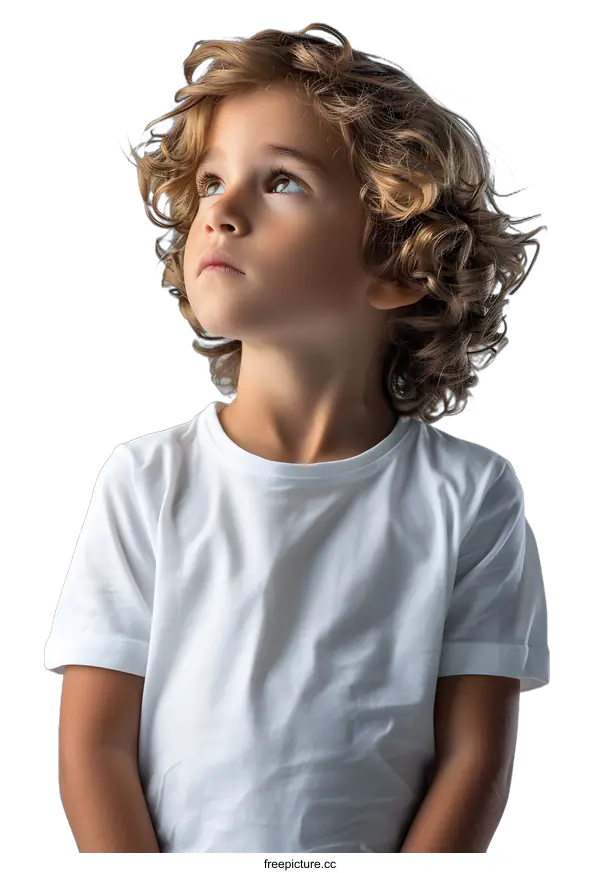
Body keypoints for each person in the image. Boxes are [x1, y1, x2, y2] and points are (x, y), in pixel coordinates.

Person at [45, 24, 549, 853]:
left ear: (397, 262)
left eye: (280, 179)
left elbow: (475, 754)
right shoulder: (143, 482)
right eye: (209, 182)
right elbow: (95, 745)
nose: (221, 211)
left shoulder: (470, 497)